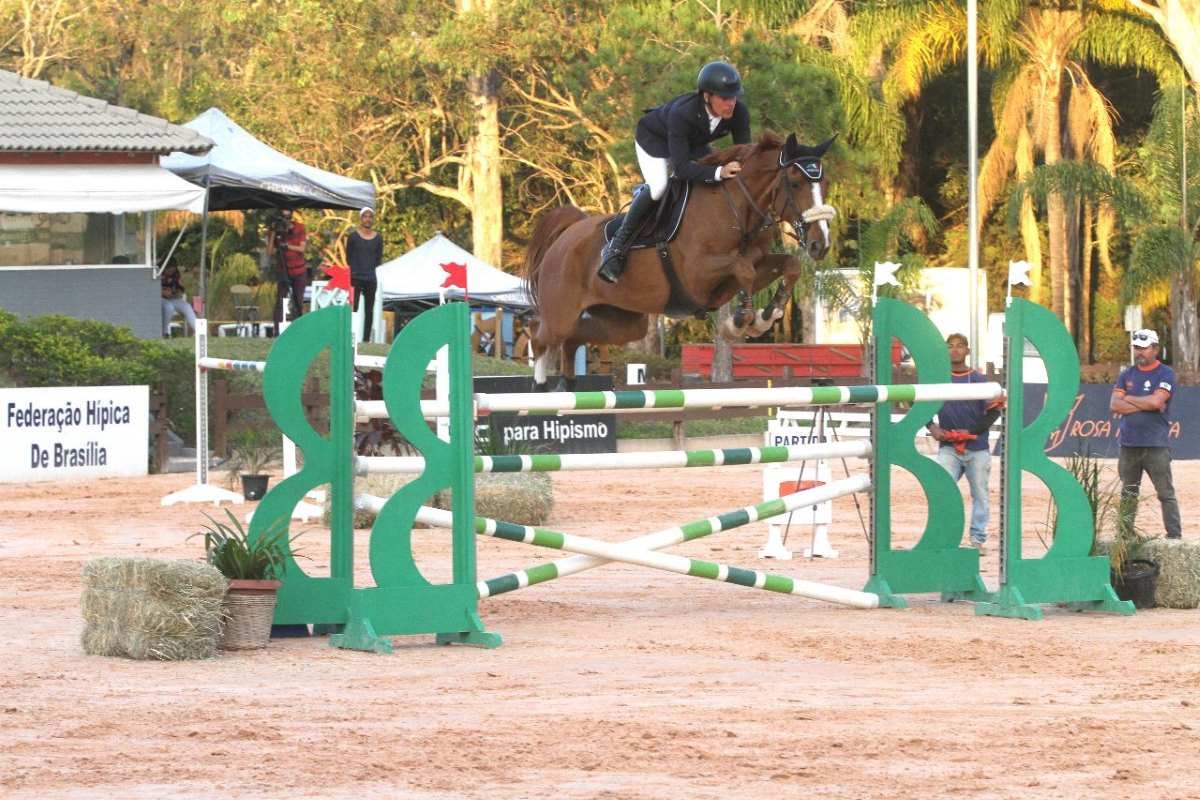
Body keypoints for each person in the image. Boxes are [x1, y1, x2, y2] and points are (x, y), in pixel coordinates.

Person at [598, 60, 752, 283]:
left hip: (689, 143)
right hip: (654, 141)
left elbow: (744, 152)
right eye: (725, 98)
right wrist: (719, 171)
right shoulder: (683, 113)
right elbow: (680, 169)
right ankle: (616, 247)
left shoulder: (739, 113)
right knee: (660, 186)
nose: (731, 104)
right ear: (707, 96)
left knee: (711, 180)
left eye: (734, 97)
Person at [927, 333, 1005, 554]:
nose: (955, 350)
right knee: (942, 491)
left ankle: (977, 539)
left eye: (960, 346)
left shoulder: (980, 380)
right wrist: (932, 428)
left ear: (967, 351)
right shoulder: (938, 379)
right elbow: (919, 404)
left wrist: (971, 432)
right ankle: (944, 537)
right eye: (950, 346)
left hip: (977, 448)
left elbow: (993, 413)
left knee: (980, 494)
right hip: (948, 447)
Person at [1110, 328, 1182, 539]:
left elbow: (1157, 402)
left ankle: (1174, 536)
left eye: (1143, 348)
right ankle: (1124, 536)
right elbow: (1114, 405)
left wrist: (1129, 398)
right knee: (1128, 494)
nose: (1139, 352)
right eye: (1136, 348)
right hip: (1128, 444)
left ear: (1155, 349)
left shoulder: (1165, 373)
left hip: (1156, 445)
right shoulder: (1127, 374)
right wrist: (1145, 402)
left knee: (1165, 494)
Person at [346, 206, 384, 341]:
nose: (368, 219)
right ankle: (350, 336)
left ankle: (366, 339)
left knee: (369, 309)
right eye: (365, 216)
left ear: (373, 219)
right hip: (356, 276)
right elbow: (348, 257)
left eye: (370, 217)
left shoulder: (378, 238)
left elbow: (378, 258)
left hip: (370, 277)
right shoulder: (353, 237)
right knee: (353, 308)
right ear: (361, 218)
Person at [267, 208, 308, 329]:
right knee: (280, 300)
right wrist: (274, 233)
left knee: (298, 301)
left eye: (286, 219)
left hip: (299, 270)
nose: (284, 222)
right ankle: (277, 329)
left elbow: (302, 249)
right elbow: (269, 252)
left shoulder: (299, 228)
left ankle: (298, 328)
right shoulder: (276, 231)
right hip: (284, 270)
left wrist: (287, 246)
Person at [160, 263, 196, 337]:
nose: (171, 271)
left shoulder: (175, 275)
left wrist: (177, 291)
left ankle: (198, 331)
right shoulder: (158, 274)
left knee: (187, 306)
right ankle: (164, 332)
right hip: (160, 299)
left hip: (173, 298)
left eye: (173, 269)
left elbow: (180, 289)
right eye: (169, 269)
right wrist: (162, 292)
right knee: (169, 307)